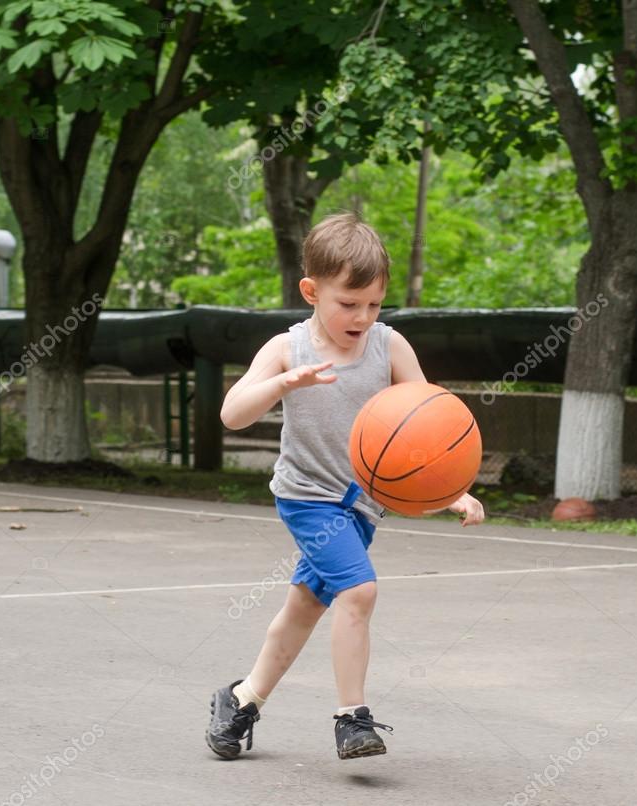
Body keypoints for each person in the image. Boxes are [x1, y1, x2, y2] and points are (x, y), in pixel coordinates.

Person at [206, 212, 484, 761]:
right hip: (307, 497)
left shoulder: (390, 347)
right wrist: (282, 382)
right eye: (348, 304)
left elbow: (428, 429)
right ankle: (352, 719)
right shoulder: (288, 349)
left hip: (362, 505)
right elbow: (232, 414)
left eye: (374, 304)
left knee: (306, 606)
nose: (362, 316)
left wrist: (448, 488)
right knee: (358, 591)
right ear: (312, 291)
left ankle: (241, 698)